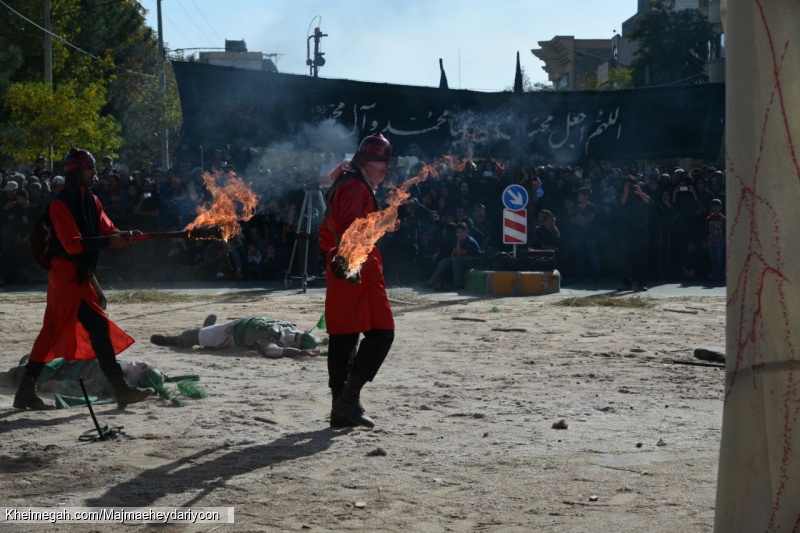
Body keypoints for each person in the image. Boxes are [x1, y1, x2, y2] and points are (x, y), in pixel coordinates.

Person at [13, 148, 154, 410]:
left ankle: (27, 390)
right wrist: (109, 240)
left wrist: (125, 236)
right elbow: (73, 245)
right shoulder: (59, 204)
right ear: (78, 173)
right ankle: (117, 387)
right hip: (65, 276)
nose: (95, 173)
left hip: (80, 276)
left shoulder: (93, 200)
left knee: (84, 329)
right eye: (91, 169)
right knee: (68, 330)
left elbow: (107, 230)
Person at [319, 133, 395, 428]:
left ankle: (341, 407)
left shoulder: (353, 181)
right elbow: (350, 228)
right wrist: (352, 266)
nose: (385, 170)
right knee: (381, 334)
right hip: (352, 265)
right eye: (382, 163)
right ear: (368, 162)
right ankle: (347, 400)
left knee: (345, 337)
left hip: (347, 264)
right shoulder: (352, 185)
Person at [150, 315, 324, 357]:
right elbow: (320, 339)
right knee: (204, 333)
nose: (296, 334)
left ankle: (172, 340)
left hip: (227, 336)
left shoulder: (273, 340)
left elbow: (272, 351)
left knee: (192, 338)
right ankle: (206, 329)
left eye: (298, 338)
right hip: (235, 325)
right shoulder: (288, 327)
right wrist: (324, 340)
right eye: (300, 333)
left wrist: (301, 353)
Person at [617, 176, 652, 292]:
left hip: (641, 230)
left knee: (642, 257)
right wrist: (626, 193)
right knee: (626, 258)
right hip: (627, 231)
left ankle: (642, 283)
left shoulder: (642, 195)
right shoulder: (622, 196)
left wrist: (640, 193)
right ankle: (626, 283)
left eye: (632, 185)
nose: (630, 188)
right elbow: (621, 204)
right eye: (628, 185)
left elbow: (649, 202)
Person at [423, 221, 481, 290]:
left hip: (474, 260)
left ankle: (457, 284)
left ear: (466, 232)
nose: (460, 234)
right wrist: (449, 261)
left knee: (456, 259)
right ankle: (430, 282)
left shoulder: (469, 240)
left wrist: (458, 243)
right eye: (458, 232)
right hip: (463, 259)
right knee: (445, 261)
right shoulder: (457, 239)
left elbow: (459, 254)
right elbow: (454, 253)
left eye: (462, 232)